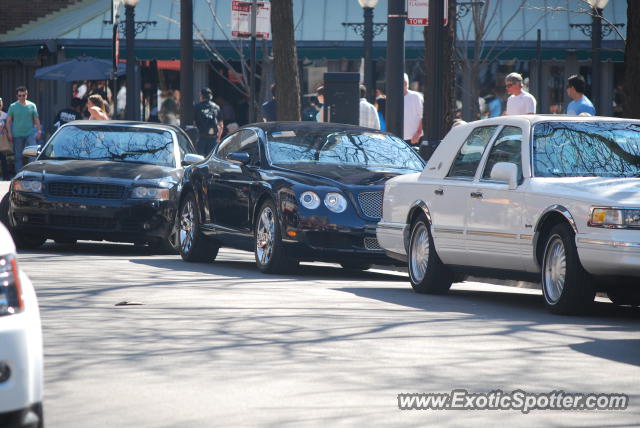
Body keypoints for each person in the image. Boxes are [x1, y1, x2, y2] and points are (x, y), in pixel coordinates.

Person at [6, 86, 41, 173]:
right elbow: (8, 121)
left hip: (30, 133)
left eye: (24, 95)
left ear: (27, 95)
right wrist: (9, 133)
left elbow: (36, 119)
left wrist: (39, 131)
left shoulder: (32, 105)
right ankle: (19, 175)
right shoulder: (12, 106)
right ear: (17, 96)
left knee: (32, 154)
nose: (22, 97)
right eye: (20, 95)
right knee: (18, 157)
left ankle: (31, 173)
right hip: (17, 135)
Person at [194, 88, 223, 155]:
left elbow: (194, 124)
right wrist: (218, 138)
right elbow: (221, 125)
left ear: (201, 96)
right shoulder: (216, 107)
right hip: (213, 138)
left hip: (201, 138)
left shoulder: (197, 107)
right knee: (211, 160)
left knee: (199, 160)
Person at [403, 73, 423, 145]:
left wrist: (418, 133)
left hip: (414, 139)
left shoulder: (415, 96)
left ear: (405, 83)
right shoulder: (394, 98)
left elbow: (423, 116)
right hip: (399, 139)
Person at [0, 98, 10, 180]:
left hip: (2, 140)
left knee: (3, 159)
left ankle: (6, 177)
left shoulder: (5, 115)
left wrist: (5, 129)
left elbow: (8, 126)